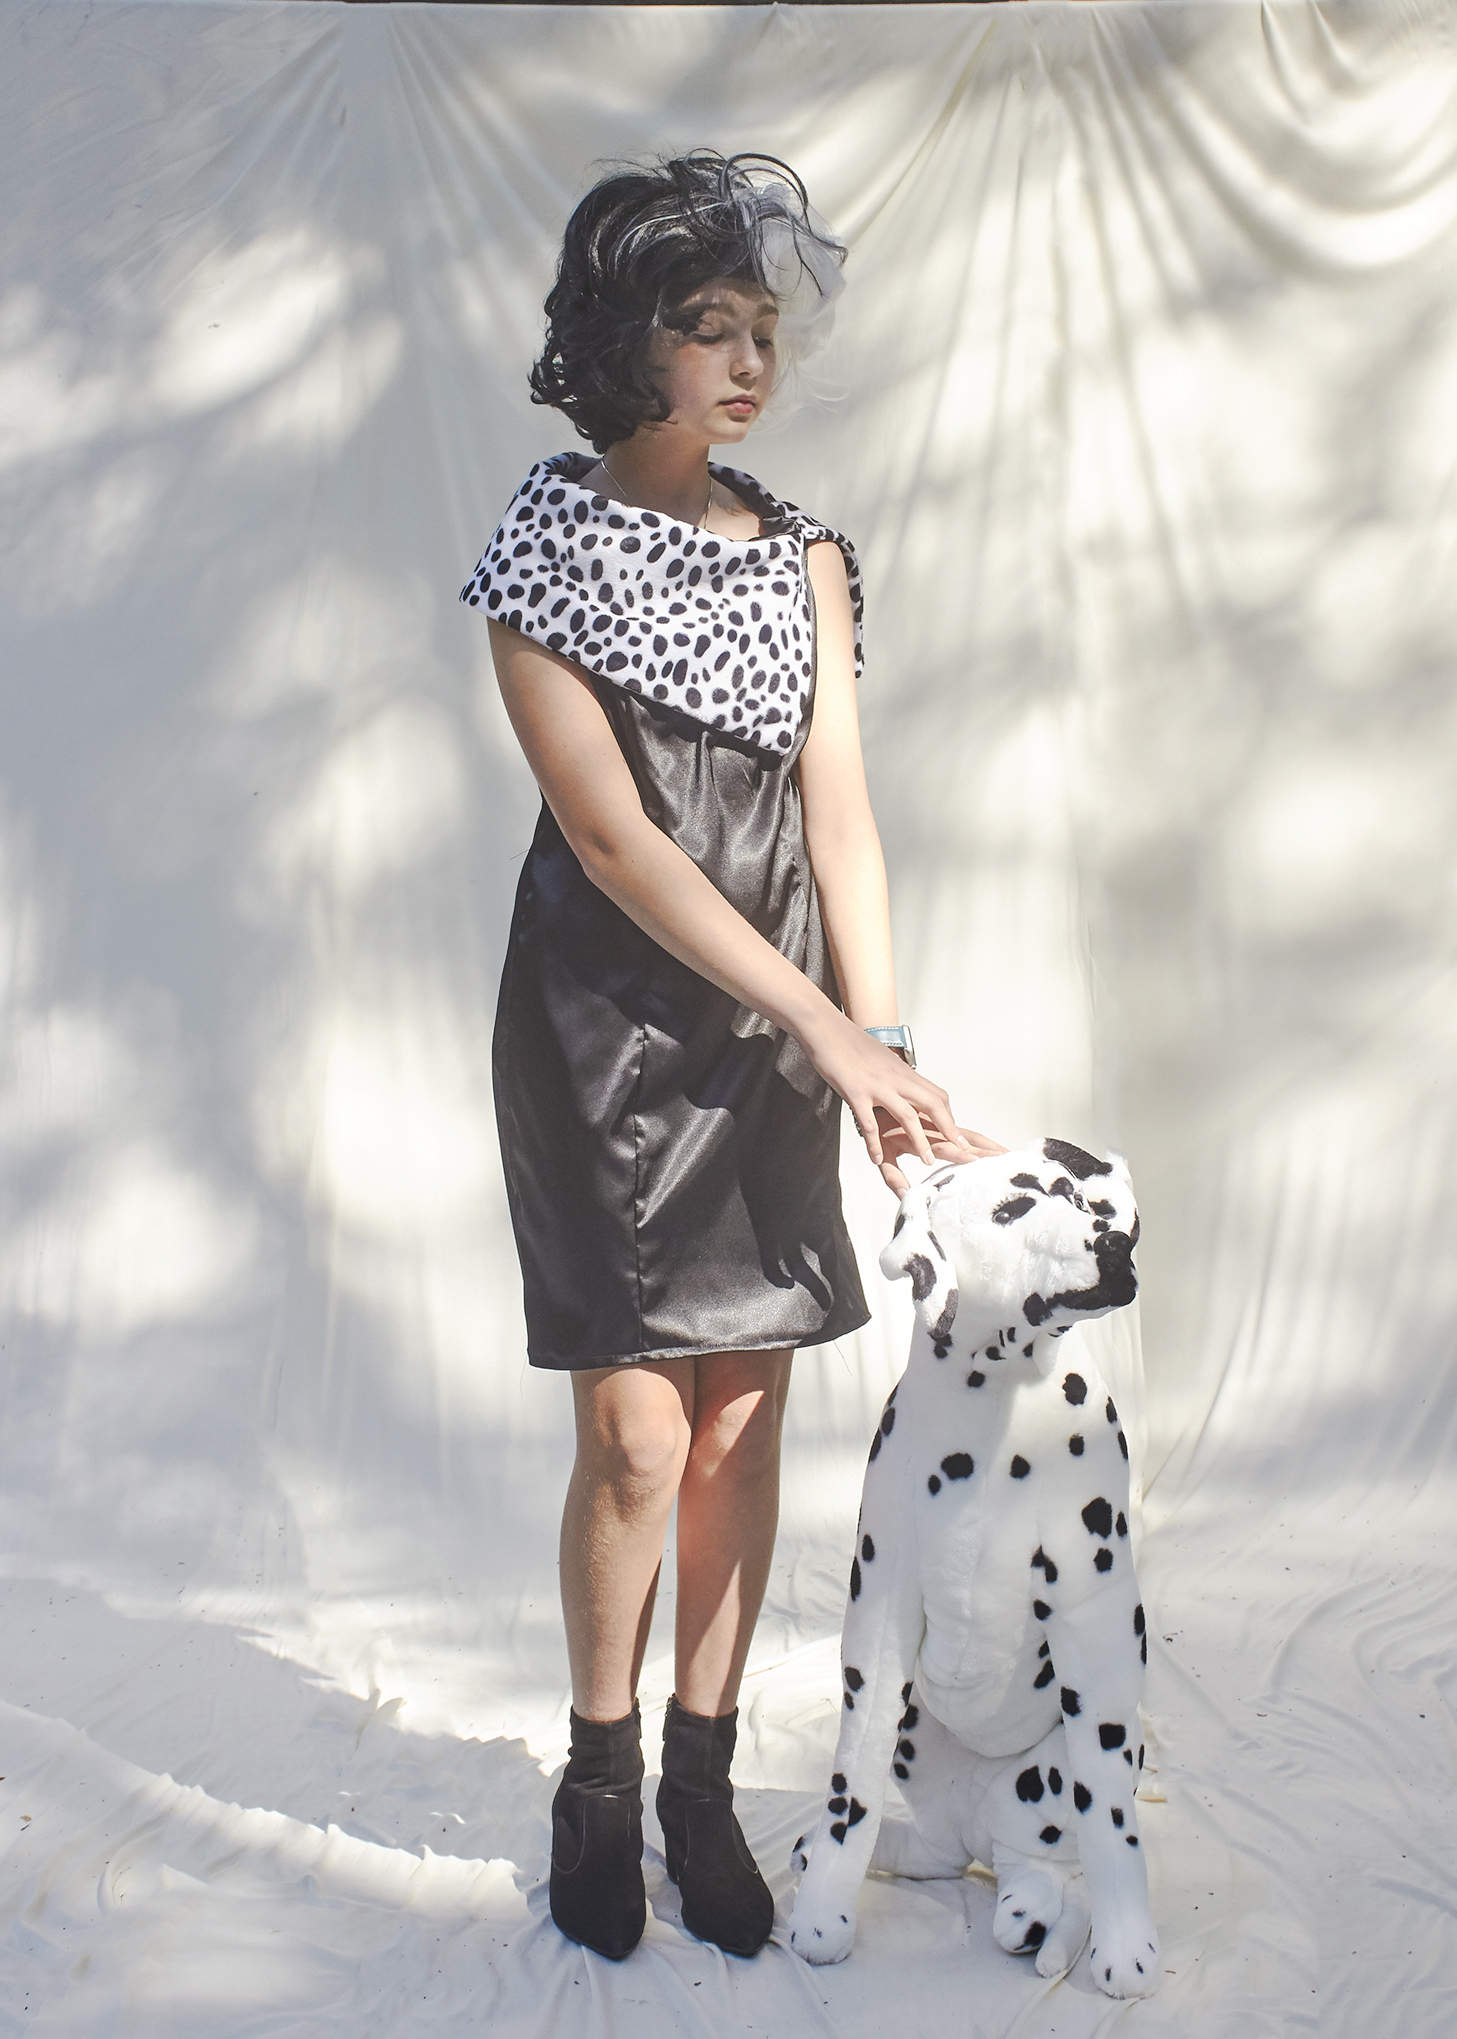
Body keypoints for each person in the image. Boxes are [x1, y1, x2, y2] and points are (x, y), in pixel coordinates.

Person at [461, 152, 999, 1963]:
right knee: (632, 1432)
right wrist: (825, 1024)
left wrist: (884, 1036)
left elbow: (834, 808)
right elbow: (614, 843)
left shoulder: (810, 560)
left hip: (791, 1034)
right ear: (630, 349)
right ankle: (597, 1774)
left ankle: (703, 1775)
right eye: (707, 328)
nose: (746, 360)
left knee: (744, 1413)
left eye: (762, 327)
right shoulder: (544, 537)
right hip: (608, 1026)